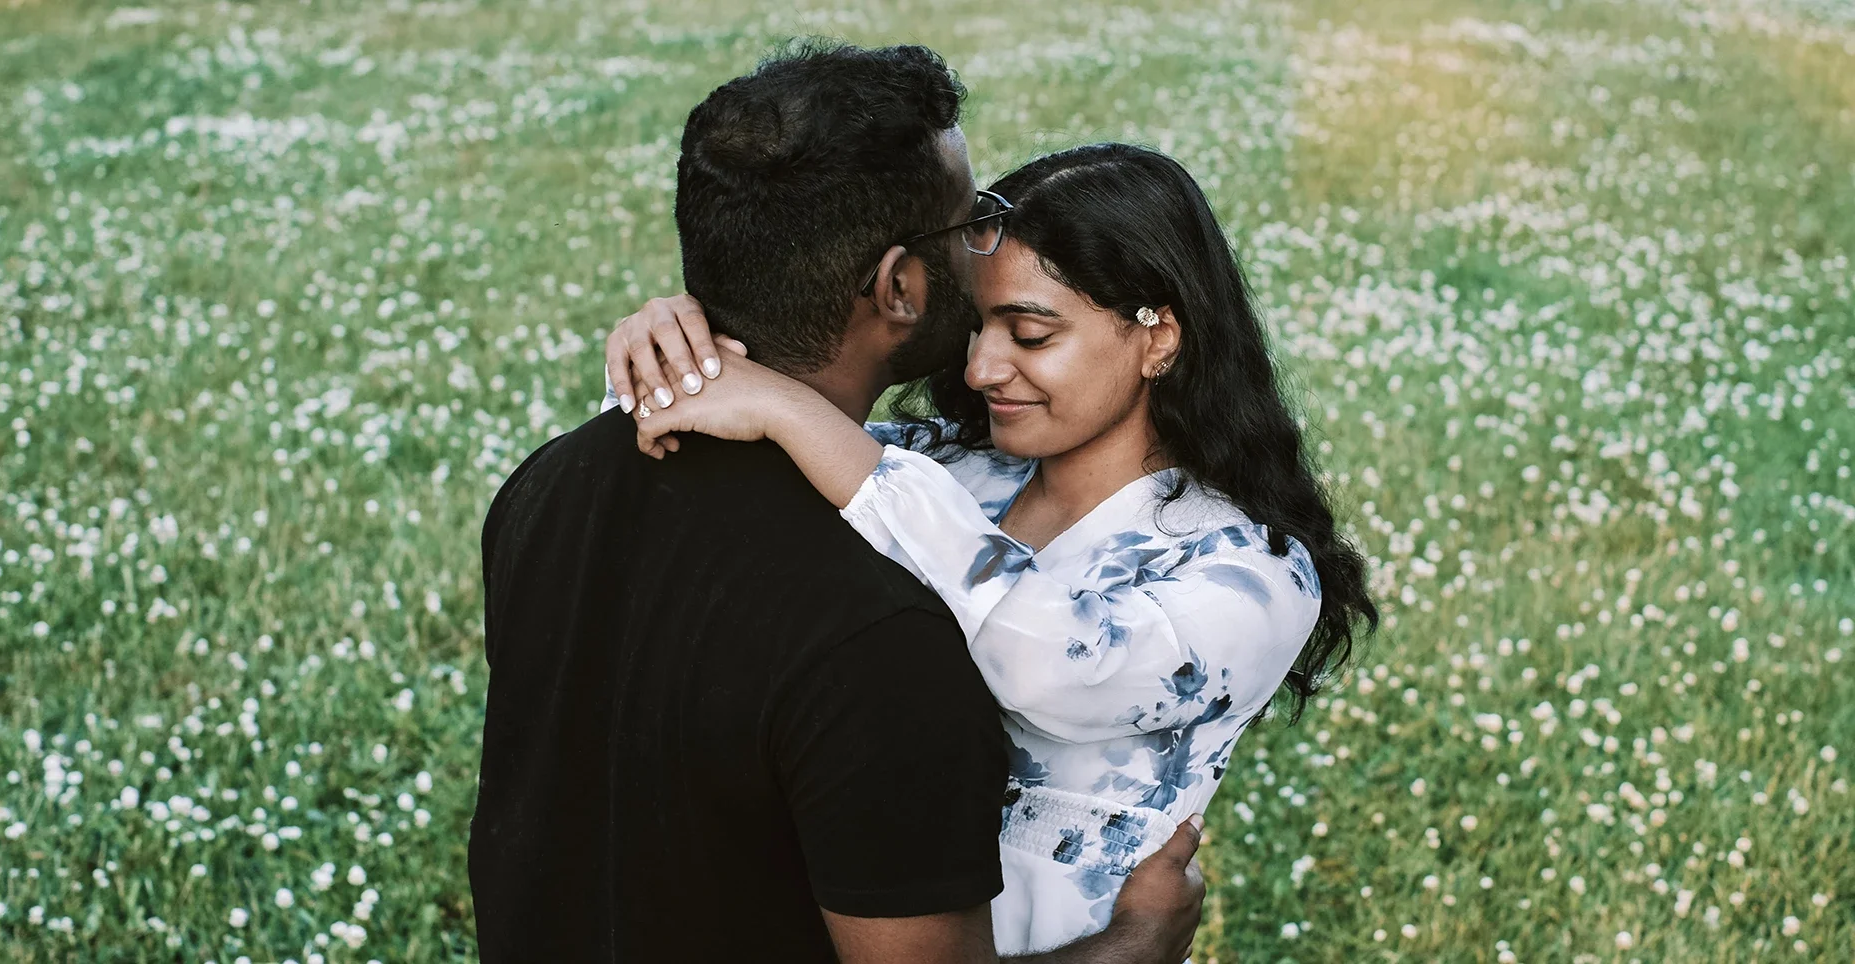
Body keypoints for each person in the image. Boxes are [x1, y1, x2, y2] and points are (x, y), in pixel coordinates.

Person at [471, 44, 1207, 964]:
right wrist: (1138, 942)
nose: (986, 245)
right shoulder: (886, 629)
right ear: (900, 286)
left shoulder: (553, 480)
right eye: (971, 222)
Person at [606, 142, 1379, 953]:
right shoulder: (949, 468)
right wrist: (673, 349)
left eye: (1031, 334)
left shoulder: (1250, 569)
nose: (979, 369)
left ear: (1159, 339)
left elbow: (1058, 667)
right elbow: (710, 448)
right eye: (975, 325)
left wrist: (798, 418)